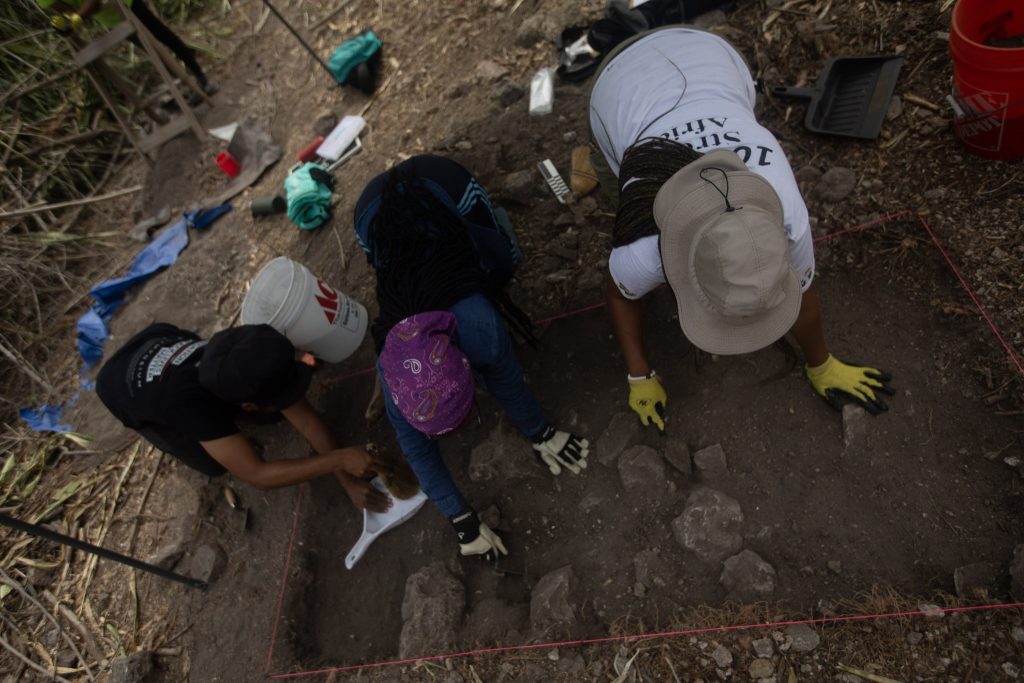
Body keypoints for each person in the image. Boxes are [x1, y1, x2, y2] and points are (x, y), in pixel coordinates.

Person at [587, 26, 894, 433]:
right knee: (618, 193)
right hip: (617, 85)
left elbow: (801, 294)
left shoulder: (786, 217)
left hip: (710, 59)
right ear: (679, 270)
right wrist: (638, 374)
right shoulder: (646, 250)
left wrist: (823, 364)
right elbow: (618, 293)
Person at [354, 155, 590, 559]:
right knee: (389, 259)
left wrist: (542, 432)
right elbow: (414, 447)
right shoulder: (395, 379)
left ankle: (492, 239)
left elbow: (506, 380)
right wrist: (460, 519)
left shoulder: (479, 330)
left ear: (468, 366)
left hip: (437, 181)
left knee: (501, 256)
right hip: (369, 214)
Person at [96, 323, 391, 511]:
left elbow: (306, 420)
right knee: (212, 464)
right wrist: (338, 460)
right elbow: (257, 476)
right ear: (247, 405)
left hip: (156, 337)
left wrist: (346, 480)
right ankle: (218, 443)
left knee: (273, 414)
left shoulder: (247, 351)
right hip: (120, 388)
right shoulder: (191, 409)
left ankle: (250, 417)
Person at [37, 0, 217, 94]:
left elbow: (94, 3)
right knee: (153, 52)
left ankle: (201, 77)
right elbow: (67, 10)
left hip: (125, 4)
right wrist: (67, 24)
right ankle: (188, 86)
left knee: (162, 36)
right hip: (111, 18)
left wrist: (77, 18)